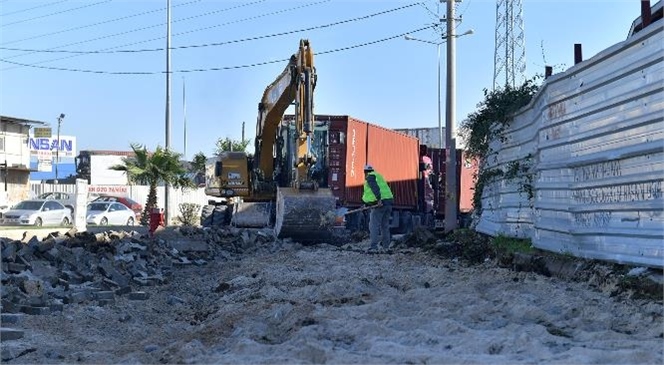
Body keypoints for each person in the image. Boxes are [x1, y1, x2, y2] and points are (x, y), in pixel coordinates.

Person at [362, 164, 394, 252]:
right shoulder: (379, 176)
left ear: (365, 172)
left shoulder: (370, 177)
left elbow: (375, 188)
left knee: (373, 225)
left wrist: (379, 199)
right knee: (385, 225)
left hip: (380, 204)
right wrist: (367, 204)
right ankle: (386, 247)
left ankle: (374, 247)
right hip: (388, 202)